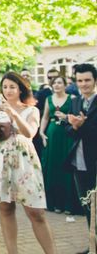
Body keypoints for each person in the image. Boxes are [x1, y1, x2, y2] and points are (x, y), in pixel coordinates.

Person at [0, 72, 55, 254]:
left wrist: (14, 115)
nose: (8, 91)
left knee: (36, 212)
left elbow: (30, 133)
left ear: (20, 89)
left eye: (12, 87)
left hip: (24, 160)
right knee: (5, 208)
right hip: (0, 158)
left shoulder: (32, 109)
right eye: (5, 87)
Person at [64, 63, 97, 254]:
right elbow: (68, 131)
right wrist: (75, 126)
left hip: (94, 160)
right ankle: (92, 243)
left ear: (95, 81)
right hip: (79, 161)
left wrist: (81, 125)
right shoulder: (76, 102)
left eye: (87, 80)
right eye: (79, 80)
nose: (83, 84)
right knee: (86, 205)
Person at [40, 76, 78, 214]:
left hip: (66, 136)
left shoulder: (72, 98)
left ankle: (68, 204)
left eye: (59, 82)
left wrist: (66, 117)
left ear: (64, 85)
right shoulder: (48, 99)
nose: (56, 85)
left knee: (66, 167)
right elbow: (45, 117)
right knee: (52, 167)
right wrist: (41, 132)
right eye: (54, 83)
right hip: (52, 134)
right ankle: (54, 203)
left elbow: (77, 116)